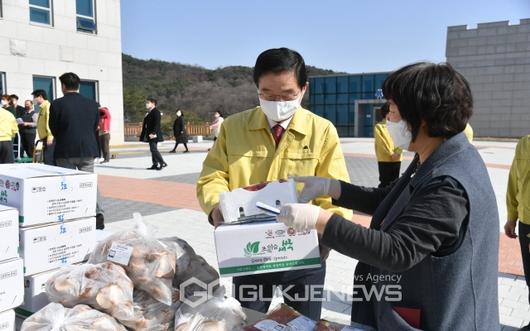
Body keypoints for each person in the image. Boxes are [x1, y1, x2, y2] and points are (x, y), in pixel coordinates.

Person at [277, 62, 500, 330]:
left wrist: (320, 220)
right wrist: (332, 188)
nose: (387, 120)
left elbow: (397, 250)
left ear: (423, 116)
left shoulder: (448, 183)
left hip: (441, 317)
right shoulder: (438, 154)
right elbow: (393, 199)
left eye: (393, 111)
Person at [196, 48, 352, 320]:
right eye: (267, 94)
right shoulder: (233, 127)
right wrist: (215, 207)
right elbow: (212, 175)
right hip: (249, 251)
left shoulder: (322, 130)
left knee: (304, 323)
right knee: (246, 320)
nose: (277, 102)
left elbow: (335, 189)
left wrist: (329, 235)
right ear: (256, 87)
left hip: (305, 251)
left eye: (287, 95)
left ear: (304, 89)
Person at [49, 72, 105, 230]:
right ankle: (98, 215)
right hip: (88, 149)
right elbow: (96, 126)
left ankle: (71, 215)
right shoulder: (93, 104)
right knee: (89, 183)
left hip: (65, 149)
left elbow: (54, 127)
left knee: (67, 184)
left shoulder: (57, 104)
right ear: (78, 86)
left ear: (63, 86)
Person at [505, 134, 530, 331]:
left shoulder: (525, 143)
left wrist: (512, 216)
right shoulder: (524, 143)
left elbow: (514, 181)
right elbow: (515, 180)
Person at [374, 102, 402, 187]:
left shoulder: (398, 126)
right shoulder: (379, 126)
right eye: (392, 111)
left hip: (397, 159)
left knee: (395, 183)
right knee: (385, 182)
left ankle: (393, 200)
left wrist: (397, 153)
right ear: (387, 113)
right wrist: (391, 154)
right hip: (384, 159)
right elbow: (382, 143)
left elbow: (401, 140)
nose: (394, 113)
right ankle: (382, 200)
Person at [139, 97, 166, 170]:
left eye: (148, 103)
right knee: (153, 149)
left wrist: (153, 133)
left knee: (153, 149)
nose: (146, 104)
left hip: (154, 134)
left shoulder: (156, 112)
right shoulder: (150, 112)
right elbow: (146, 123)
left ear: (153, 104)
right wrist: (145, 117)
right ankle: (155, 164)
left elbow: (157, 124)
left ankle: (162, 162)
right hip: (151, 133)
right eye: (146, 103)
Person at [33, 89, 55, 165]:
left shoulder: (47, 106)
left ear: (40, 97)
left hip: (49, 139)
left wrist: (50, 136)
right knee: (45, 160)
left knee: (49, 161)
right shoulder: (42, 108)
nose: (34, 100)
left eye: (35, 97)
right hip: (44, 138)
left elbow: (50, 122)